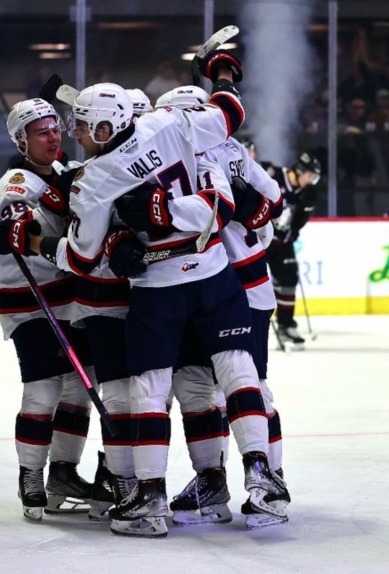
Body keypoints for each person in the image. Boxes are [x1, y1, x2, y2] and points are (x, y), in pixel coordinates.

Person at [0, 51, 288, 538]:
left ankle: (151, 496)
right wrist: (222, 71)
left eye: (82, 127)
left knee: (155, 389)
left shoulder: (96, 181)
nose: (73, 134)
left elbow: (83, 256)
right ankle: (255, 479)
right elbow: (223, 188)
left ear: (107, 129)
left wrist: (37, 243)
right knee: (216, 380)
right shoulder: (175, 126)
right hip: (216, 276)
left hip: (159, 289)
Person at [155, 86, 289, 530]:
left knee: (250, 384)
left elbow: (274, 202)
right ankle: (210, 481)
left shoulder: (223, 152)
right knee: (194, 385)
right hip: (196, 287)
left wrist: (252, 208)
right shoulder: (179, 157)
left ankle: (271, 481)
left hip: (243, 289)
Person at [0, 98, 97, 521]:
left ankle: (63, 474)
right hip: (29, 302)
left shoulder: (68, 173)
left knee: (80, 389)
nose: (52, 136)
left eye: (54, 128)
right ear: (21, 141)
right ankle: (30, 474)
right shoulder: (15, 182)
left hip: (71, 298)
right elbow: (18, 221)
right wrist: (18, 229)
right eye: (41, 132)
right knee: (43, 388)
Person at [264, 152, 321, 348]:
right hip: (259, 241)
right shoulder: (274, 176)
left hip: (282, 243)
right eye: (310, 176)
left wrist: (306, 209)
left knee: (288, 278)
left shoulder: (304, 192)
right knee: (251, 283)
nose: (311, 181)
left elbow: (295, 226)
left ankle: (286, 325)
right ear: (299, 171)